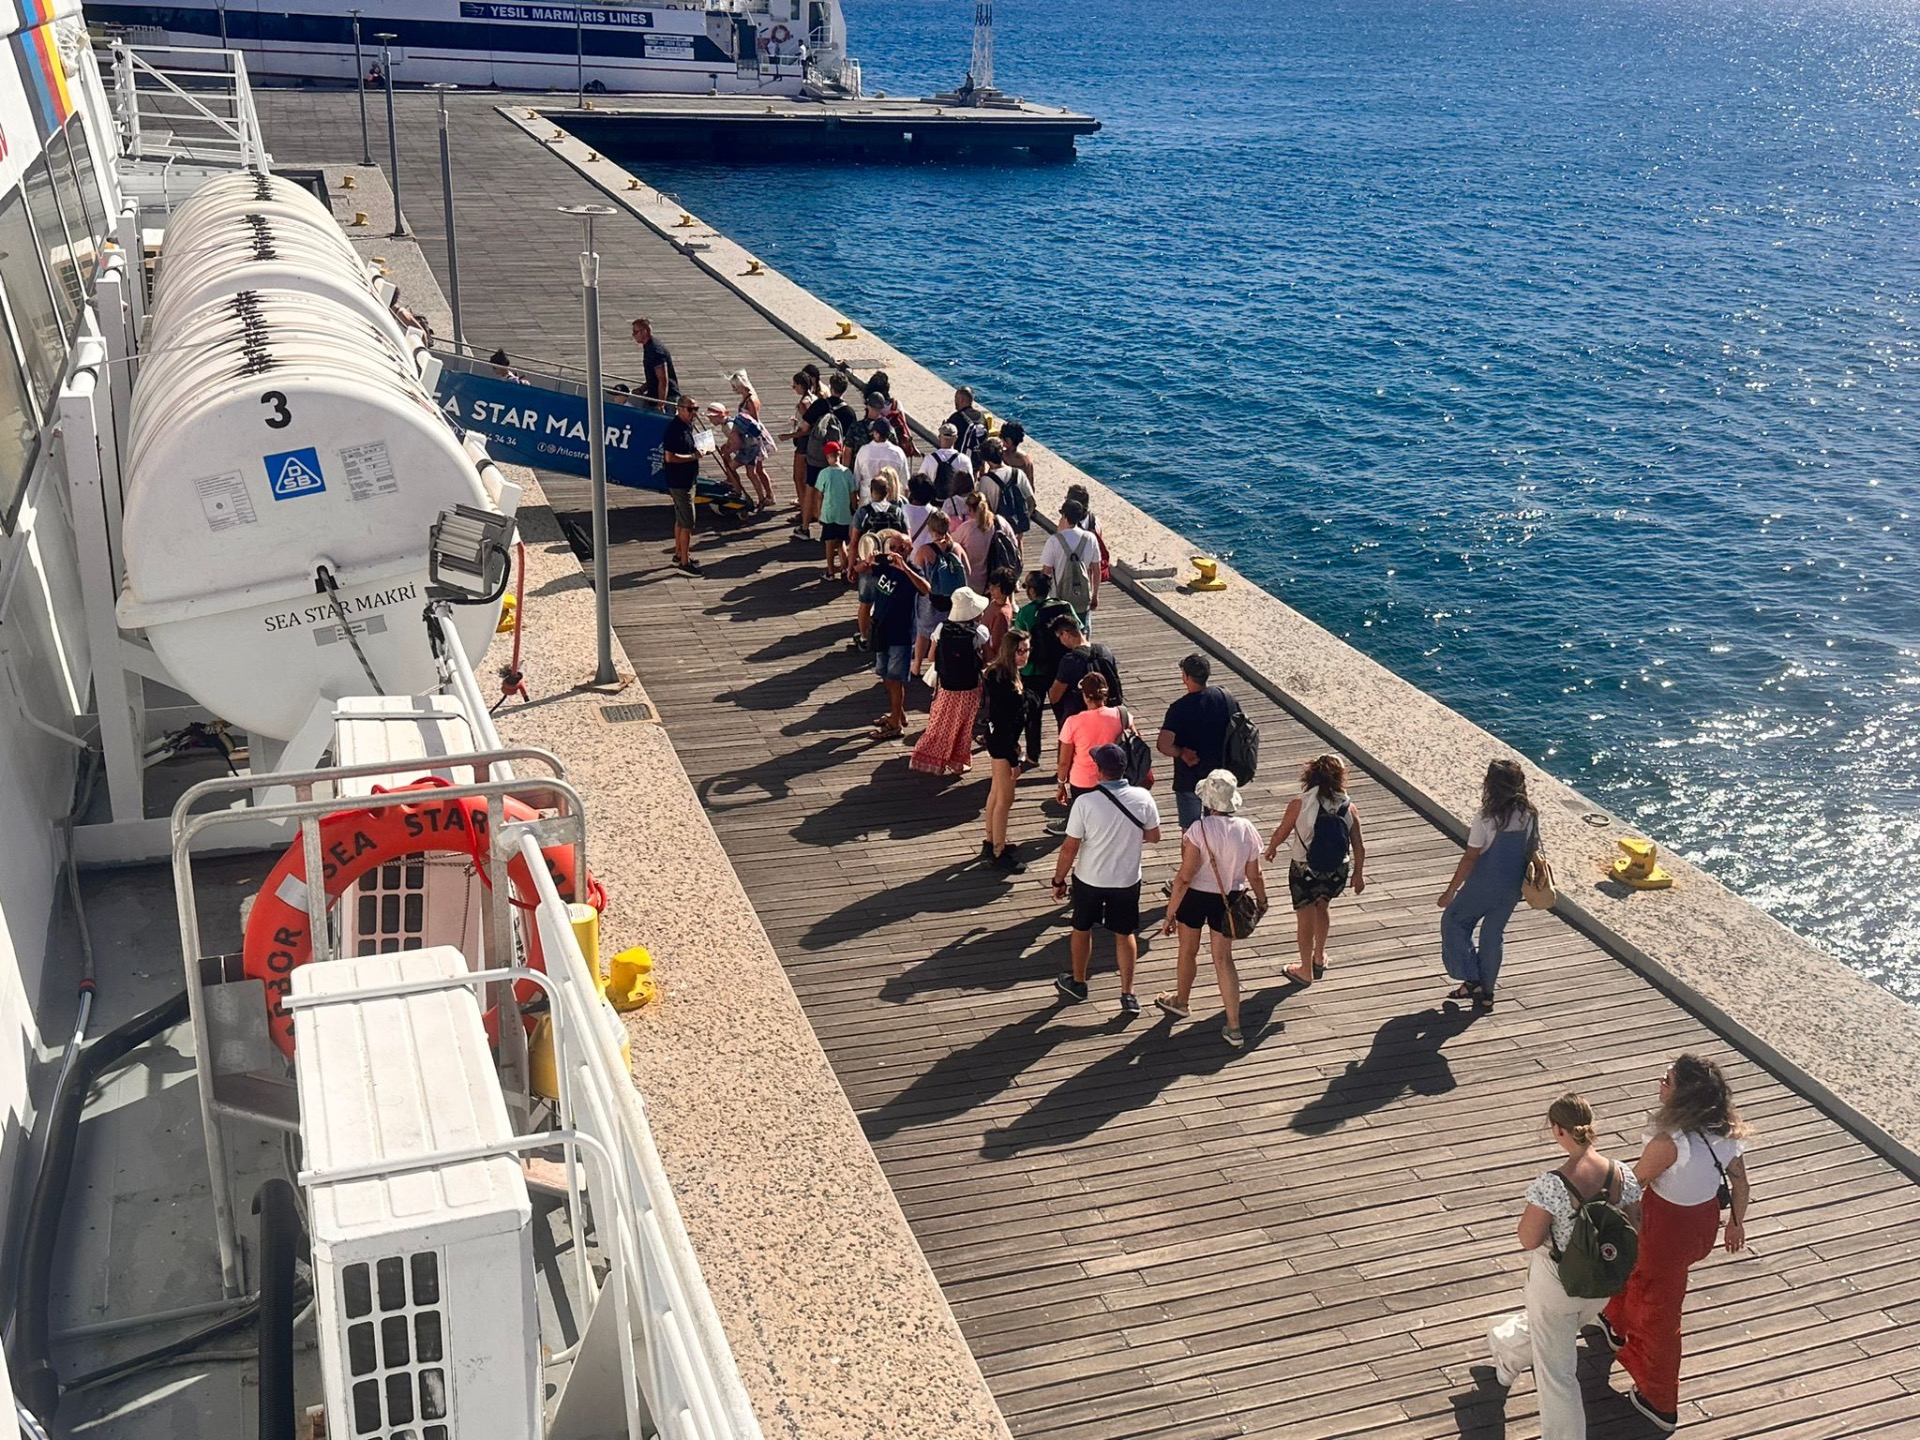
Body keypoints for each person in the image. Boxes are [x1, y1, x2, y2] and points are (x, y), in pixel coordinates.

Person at [1601, 1055, 1751, 1434]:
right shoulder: (1726, 1135)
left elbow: (1633, 1186)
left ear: (1684, 1095)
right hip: (1701, 1227)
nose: (1660, 1082)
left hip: (1664, 1229)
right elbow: (1741, 1185)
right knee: (1640, 1275)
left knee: (1659, 1318)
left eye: (1667, 1080)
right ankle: (1613, 1321)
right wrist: (1735, 1224)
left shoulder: (1671, 1142)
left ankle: (1659, 1401)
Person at [1488, 1094, 1642, 1438]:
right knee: (1550, 1331)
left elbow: (1528, 1239)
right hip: (1602, 1284)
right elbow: (1636, 1228)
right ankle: (1505, 1348)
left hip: (1558, 1284)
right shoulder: (1624, 1175)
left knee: (1557, 1372)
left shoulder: (1552, 1184)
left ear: (1558, 1130)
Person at [1051, 743, 1162, 1014]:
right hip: (1126, 879)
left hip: (1090, 878)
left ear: (1099, 770)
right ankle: (1127, 993)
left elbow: (1069, 847)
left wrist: (1058, 880)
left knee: (1082, 928)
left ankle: (1078, 982)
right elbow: (1153, 836)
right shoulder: (1143, 798)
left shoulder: (1085, 802)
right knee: (1125, 934)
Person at [1159, 770, 1267, 1047]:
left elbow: (1184, 877)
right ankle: (1234, 1026)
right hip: (1228, 898)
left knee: (1187, 951)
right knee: (1224, 959)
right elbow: (1254, 875)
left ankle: (1181, 1001)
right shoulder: (1247, 829)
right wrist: (1262, 900)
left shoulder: (1198, 830)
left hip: (1196, 896)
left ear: (1206, 801)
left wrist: (1170, 913)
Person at [1437, 758, 1539, 1013]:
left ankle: (1472, 979)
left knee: (1454, 920)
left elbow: (1471, 857)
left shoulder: (1486, 817)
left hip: (1483, 883)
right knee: (1493, 936)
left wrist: (1450, 891)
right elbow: (1532, 849)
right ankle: (1488, 993)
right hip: (1511, 887)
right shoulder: (1529, 814)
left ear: (1491, 786)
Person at [1265, 753, 1365, 986]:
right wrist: (1358, 874)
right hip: (1336, 869)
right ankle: (1319, 956)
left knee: (1304, 917)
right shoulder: (1349, 808)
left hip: (1304, 868)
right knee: (1323, 905)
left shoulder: (1300, 804)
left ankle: (1305, 970)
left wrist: (1271, 848)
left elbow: (1282, 831)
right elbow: (1359, 845)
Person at [910, 588, 991, 776]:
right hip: (970, 686)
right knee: (964, 724)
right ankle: (958, 762)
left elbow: (931, 658)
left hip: (947, 685)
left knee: (940, 720)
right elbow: (987, 659)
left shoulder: (941, 628)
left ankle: (928, 756)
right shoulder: (981, 631)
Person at [1158, 653, 1242, 831]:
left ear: (1185, 677)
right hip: (1221, 775)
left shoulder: (1179, 708)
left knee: (1190, 833)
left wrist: (1181, 752)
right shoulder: (1226, 698)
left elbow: (1163, 744)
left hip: (1189, 777)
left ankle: (1192, 860)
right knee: (1220, 829)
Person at [866, 533, 930, 741]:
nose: (895, 551)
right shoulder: (885, 565)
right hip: (882, 629)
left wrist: (905, 568)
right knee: (884, 674)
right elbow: (857, 571)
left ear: (909, 550)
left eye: (901, 548)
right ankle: (898, 714)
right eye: (892, 547)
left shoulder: (912, 571)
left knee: (895, 679)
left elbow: (926, 589)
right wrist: (867, 560)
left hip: (900, 634)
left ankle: (895, 723)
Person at [1014, 572, 1078, 768]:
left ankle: (1033, 755)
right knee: (1064, 715)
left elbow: (1019, 641)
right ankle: (1067, 759)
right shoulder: (1065, 606)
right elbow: (1079, 629)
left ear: (1032, 591)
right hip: (1061, 667)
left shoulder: (1026, 612)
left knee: (1033, 714)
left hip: (1034, 670)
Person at [980, 630, 1029, 872]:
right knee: (1005, 798)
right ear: (1010, 651)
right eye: (1020, 651)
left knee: (995, 793)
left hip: (997, 739)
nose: (1025, 655)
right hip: (1003, 743)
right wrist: (1013, 759)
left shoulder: (996, 673)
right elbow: (1003, 723)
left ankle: (990, 841)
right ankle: (998, 851)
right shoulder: (1005, 682)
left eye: (1027, 650)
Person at [1054, 671, 1125, 830]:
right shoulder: (1122, 715)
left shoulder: (1073, 722)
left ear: (1085, 696)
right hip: (1114, 778)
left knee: (1086, 826)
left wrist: (1061, 784)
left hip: (1082, 782)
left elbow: (1064, 761)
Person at [850, 474, 907, 647]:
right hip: (891, 565)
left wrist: (852, 567)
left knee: (866, 603)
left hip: (869, 564)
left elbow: (854, 542)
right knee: (890, 602)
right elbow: (907, 539)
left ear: (871, 491)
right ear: (888, 491)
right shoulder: (897, 511)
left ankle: (865, 638)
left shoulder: (863, 513)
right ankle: (888, 635)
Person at [912, 511, 970, 682]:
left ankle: (916, 667)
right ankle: (945, 665)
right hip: (953, 601)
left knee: (923, 633)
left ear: (931, 529)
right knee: (948, 632)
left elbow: (918, 576)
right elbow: (968, 571)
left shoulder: (925, 551)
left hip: (931, 601)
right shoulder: (957, 548)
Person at [1047, 614, 1120, 725]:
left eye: (1059, 637)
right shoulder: (1105, 651)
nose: (1060, 642)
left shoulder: (1070, 660)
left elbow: (1054, 697)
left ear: (1065, 634)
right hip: (1109, 715)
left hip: (1082, 719)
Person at [660, 395, 704, 573]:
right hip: (680, 482)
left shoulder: (686, 426)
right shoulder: (674, 430)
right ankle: (685, 563)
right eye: (690, 409)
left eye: (696, 409)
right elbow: (670, 458)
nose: (694, 413)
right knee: (688, 523)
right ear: (679, 408)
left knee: (680, 519)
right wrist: (694, 456)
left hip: (686, 480)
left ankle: (679, 554)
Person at [1040, 498, 1102, 616]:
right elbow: (1096, 569)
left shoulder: (1054, 540)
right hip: (1082, 597)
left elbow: (1046, 571)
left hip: (1059, 598)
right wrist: (1095, 595)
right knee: (1082, 631)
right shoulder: (1090, 538)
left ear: (1064, 516)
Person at [727, 370, 776, 509]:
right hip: (750, 439)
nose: (733, 389)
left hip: (752, 440)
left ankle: (766, 496)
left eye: (735, 386)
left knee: (753, 470)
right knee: (756, 470)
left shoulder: (750, 400)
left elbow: (755, 422)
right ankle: (767, 496)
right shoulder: (748, 397)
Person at [814, 442, 859, 580]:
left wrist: (818, 512)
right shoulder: (847, 472)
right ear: (840, 454)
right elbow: (852, 494)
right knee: (842, 542)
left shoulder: (824, 473)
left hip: (829, 513)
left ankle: (830, 572)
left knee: (829, 543)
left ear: (827, 457)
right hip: (844, 514)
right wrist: (854, 508)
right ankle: (845, 569)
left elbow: (819, 495)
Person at [868, 371, 919, 460]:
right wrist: (912, 446)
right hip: (897, 448)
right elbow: (904, 424)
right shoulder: (896, 404)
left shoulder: (872, 408)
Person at [855, 417, 909, 499]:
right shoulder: (898, 453)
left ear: (876, 434)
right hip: (891, 500)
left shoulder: (864, 451)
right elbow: (905, 482)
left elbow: (856, 478)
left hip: (867, 497)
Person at [919, 423, 974, 498]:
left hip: (934, 503)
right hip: (956, 505)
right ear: (956, 438)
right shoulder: (965, 460)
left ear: (939, 437)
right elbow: (970, 485)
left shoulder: (929, 459)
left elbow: (920, 482)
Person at [631, 318, 678, 404]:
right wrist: (642, 389)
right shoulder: (649, 347)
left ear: (645, 331)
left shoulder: (655, 350)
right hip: (654, 395)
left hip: (666, 398)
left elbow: (663, 379)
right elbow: (654, 377)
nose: (633, 335)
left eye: (635, 332)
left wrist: (661, 404)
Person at [946, 385, 989, 463]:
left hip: (960, 462)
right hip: (977, 461)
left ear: (961, 400)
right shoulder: (982, 417)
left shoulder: (956, 418)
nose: (955, 402)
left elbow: (947, 442)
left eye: (956, 399)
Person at [982, 568, 1018, 650]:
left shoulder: (1001, 614)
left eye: (996, 587)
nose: (991, 588)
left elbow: (997, 645)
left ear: (1005, 589)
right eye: (991, 584)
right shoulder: (995, 602)